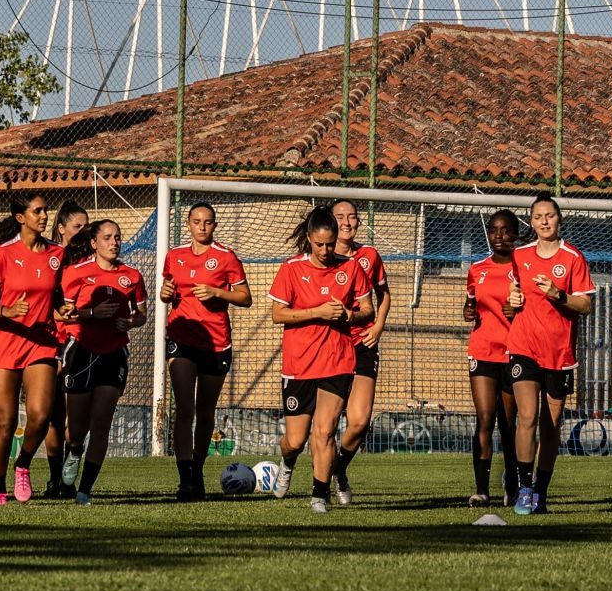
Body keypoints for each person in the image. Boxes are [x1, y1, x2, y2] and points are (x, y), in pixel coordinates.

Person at [267, 205, 374, 514]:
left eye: (330, 244)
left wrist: (349, 314)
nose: (326, 250)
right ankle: (286, 463)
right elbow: (278, 314)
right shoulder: (291, 268)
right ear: (310, 240)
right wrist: (318, 312)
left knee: (325, 431)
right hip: (299, 364)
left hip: (338, 361)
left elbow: (368, 308)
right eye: (319, 244)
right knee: (296, 440)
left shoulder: (352, 268)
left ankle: (319, 494)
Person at [0, 191, 62, 505]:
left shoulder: (56, 255)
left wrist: (65, 310)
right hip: (4, 345)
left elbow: (59, 298)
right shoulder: (2, 255)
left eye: (45, 209)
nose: (43, 215)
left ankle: (22, 466)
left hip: (42, 343)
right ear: (21, 218)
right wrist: (5, 311)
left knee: (39, 415)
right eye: (37, 211)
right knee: (5, 422)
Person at [505, 193, 593, 516]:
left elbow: (585, 304)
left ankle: (542, 489)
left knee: (550, 425)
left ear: (559, 219)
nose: (544, 221)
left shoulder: (573, 258)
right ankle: (524, 487)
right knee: (526, 415)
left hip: (559, 354)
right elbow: (510, 299)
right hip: (523, 346)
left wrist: (559, 294)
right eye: (539, 216)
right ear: (532, 222)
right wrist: (511, 299)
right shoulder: (520, 255)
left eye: (550, 215)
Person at [160, 202, 250, 500]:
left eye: (208, 222)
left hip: (216, 341)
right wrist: (165, 293)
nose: (202, 226)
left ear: (214, 225)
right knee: (184, 408)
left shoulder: (226, 257)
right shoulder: (175, 256)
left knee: (205, 411)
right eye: (197, 221)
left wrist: (217, 292)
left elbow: (245, 297)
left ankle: (197, 469)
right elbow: (167, 290)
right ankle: (185, 478)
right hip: (182, 338)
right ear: (188, 224)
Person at [57, 219, 147, 505]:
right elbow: (61, 315)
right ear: (94, 243)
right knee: (77, 427)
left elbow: (141, 314)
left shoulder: (131, 276)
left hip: (114, 353)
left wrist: (130, 322)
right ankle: (73, 452)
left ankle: (85, 489)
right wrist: (93, 314)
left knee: (101, 422)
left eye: (118, 237)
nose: (114, 242)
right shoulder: (76, 273)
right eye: (107, 237)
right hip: (81, 351)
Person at [329, 198, 390, 505]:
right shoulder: (321, 256)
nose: (348, 222)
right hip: (329, 344)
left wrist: (378, 326)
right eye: (341, 217)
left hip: (363, 343)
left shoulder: (369, 255)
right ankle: (318, 482)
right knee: (324, 423)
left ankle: (338, 471)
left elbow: (384, 295)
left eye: (352, 216)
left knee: (359, 420)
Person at [463, 209, 521, 507]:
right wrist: (468, 312)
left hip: (513, 352)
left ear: (516, 233)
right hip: (483, 350)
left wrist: (518, 311)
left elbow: (534, 307)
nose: (499, 236)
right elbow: (470, 304)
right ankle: (482, 490)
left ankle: (512, 483)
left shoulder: (523, 267)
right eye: (494, 230)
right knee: (484, 419)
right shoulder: (477, 269)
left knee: (508, 425)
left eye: (505, 230)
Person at [43, 201, 90, 498]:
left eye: (88, 227)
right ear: (61, 228)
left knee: (77, 418)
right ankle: (55, 479)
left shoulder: (91, 263)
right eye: (78, 227)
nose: (84, 233)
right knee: (53, 414)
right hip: (51, 342)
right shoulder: (51, 259)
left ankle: (70, 471)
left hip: (80, 342)